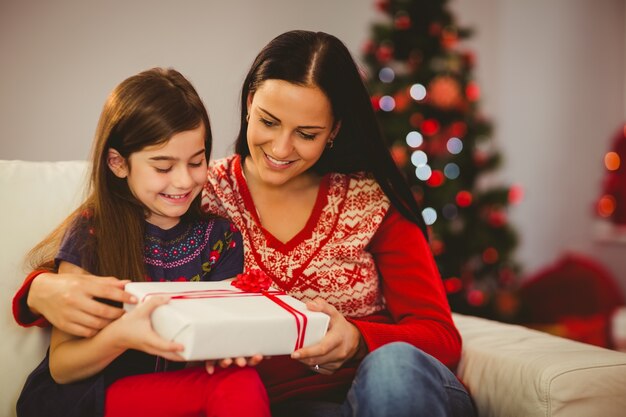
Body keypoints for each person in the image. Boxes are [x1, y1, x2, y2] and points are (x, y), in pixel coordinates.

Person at [14, 32, 476, 417]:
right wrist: (38, 289)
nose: (280, 147)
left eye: (307, 134)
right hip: (268, 402)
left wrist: (358, 340)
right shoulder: (198, 189)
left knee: (392, 369)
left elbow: (440, 337)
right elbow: (114, 231)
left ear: (334, 129)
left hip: (389, 393)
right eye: (269, 122)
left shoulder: (372, 199)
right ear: (250, 103)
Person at [15, 68, 270, 417]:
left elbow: (213, 337)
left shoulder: (220, 239)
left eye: (196, 162)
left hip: (180, 394)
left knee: (240, 377)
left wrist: (231, 343)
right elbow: (62, 365)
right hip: (90, 397)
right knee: (235, 386)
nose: (183, 180)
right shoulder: (93, 233)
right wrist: (123, 335)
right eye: (163, 167)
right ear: (118, 163)